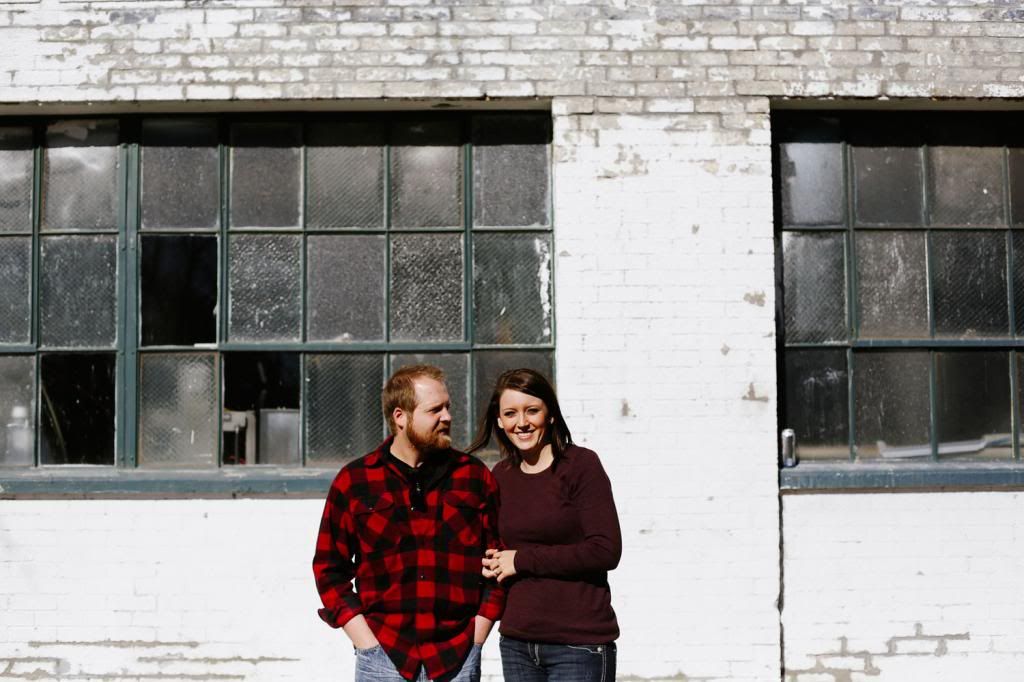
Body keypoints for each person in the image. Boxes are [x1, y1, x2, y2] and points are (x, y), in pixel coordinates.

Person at [313, 365, 504, 682]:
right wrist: (366, 642)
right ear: (400, 416)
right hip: (383, 657)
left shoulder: (473, 477)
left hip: (456, 657)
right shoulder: (355, 481)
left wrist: (478, 635)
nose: (447, 417)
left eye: (448, 407)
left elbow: (498, 562)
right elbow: (329, 569)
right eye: (435, 410)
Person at [468, 368, 621, 682]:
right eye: (510, 413)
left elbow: (605, 550)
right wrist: (489, 563)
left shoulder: (580, 466)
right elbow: (497, 549)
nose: (521, 422)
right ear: (499, 420)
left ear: (549, 414)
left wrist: (521, 560)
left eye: (532, 411)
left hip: (578, 645)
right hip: (518, 644)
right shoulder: (501, 475)